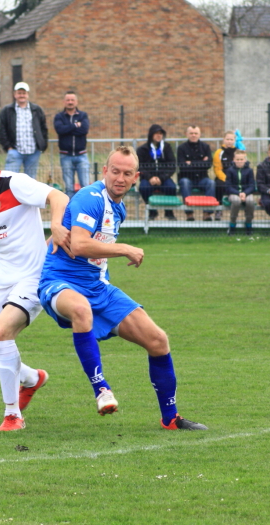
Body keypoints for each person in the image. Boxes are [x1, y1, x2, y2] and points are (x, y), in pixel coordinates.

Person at [38, 146, 207, 430]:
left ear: (135, 177)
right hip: (60, 282)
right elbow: (79, 245)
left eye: (127, 173)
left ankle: (171, 419)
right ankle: (101, 389)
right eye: (115, 171)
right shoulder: (90, 198)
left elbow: (87, 244)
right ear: (105, 171)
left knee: (158, 340)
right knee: (80, 308)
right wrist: (125, 248)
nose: (120, 178)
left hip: (98, 287)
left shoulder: (119, 208)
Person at [0, 134, 71, 431]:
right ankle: (32, 378)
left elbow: (59, 197)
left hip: (32, 278)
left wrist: (55, 226)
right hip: (0, 282)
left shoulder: (14, 183)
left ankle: (13, 415)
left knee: (3, 331)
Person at [0, 82, 48, 179]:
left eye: (24, 93)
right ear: (15, 94)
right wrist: (8, 147)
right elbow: (2, 130)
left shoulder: (36, 110)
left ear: (28, 94)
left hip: (33, 152)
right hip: (15, 151)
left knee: (30, 181)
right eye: (19, 93)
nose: (22, 95)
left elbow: (43, 128)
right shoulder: (7, 110)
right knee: (9, 179)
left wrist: (42, 145)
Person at [53, 91, 90, 199]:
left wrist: (68, 128)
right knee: (69, 188)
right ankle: (70, 208)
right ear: (64, 102)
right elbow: (60, 130)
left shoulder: (83, 115)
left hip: (81, 155)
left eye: (72, 100)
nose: (70, 102)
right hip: (65, 156)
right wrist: (75, 125)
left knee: (85, 186)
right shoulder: (59, 116)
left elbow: (84, 130)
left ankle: (85, 206)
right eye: (68, 100)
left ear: (76, 102)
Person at [136, 124, 178, 220]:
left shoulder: (166, 147)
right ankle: (152, 212)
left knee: (172, 187)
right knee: (143, 188)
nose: (159, 135)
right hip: (147, 179)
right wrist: (150, 177)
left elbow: (172, 165)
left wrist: (161, 178)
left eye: (160, 133)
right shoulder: (142, 149)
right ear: (151, 135)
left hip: (164, 178)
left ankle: (169, 212)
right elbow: (139, 166)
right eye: (156, 133)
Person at [176, 125, 215, 221]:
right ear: (187, 134)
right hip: (187, 178)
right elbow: (182, 166)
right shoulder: (181, 148)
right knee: (184, 183)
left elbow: (208, 164)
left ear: (199, 134)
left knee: (211, 183)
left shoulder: (206, 147)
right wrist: (201, 162)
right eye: (191, 133)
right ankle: (189, 213)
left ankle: (207, 213)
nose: (193, 135)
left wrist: (191, 163)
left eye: (196, 133)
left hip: (202, 179)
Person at [225, 149, 256, 235]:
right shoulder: (230, 170)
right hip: (234, 193)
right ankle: (232, 224)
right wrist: (238, 193)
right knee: (236, 201)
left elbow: (252, 185)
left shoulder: (249, 170)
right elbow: (228, 186)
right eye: (237, 159)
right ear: (234, 160)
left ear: (245, 160)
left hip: (246, 193)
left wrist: (245, 193)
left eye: (241, 159)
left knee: (250, 201)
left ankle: (248, 223)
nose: (239, 161)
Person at [213, 131, 236, 217]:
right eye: (227, 139)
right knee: (218, 185)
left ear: (234, 140)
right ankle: (218, 210)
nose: (229, 141)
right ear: (223, 139)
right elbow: (217, 169)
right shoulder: (218, 152)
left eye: (231, 139)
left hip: (235, 178)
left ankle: (236, 210)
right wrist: (226, 179)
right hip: (223, 178)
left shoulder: (238, 152)